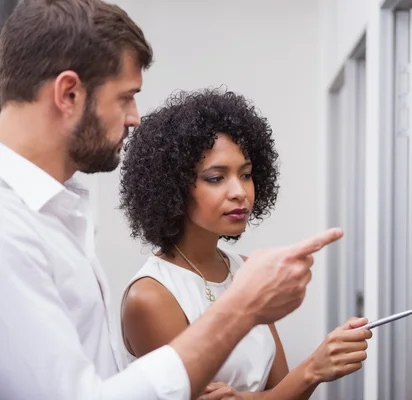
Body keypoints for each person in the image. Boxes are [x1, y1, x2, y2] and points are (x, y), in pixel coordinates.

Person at [0, 1, 344, 399]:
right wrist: (246, 306)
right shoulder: (10, 228)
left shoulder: (58, 212)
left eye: (245, 174)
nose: (135, 118)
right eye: (126, 97)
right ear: (69, 93)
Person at [119, 89, 372, 399]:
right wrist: (314, 369)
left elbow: (281, 390)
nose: (240, 191)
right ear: (172, 186)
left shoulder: (246, 268)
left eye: (247, 174)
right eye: (216, 178)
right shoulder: (151, 298)